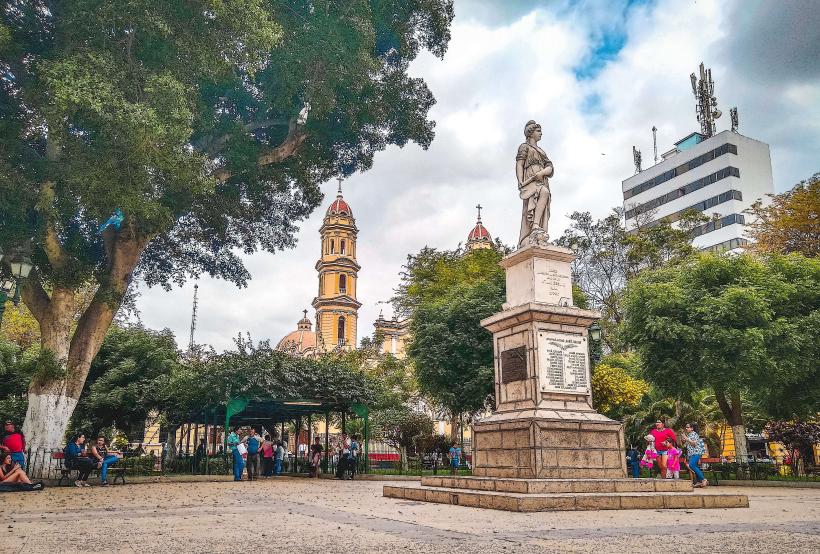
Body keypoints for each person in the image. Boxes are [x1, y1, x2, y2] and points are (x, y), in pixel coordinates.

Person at [516, 120, 554, 245]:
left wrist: (542, 173)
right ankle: (534, 226)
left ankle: (537, 227)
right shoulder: (524, 147)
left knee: (544, 194)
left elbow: (550, 167)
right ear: (531, 133)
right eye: (538, 131)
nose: (541, 133)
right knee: (541, 195)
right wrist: (520, 181)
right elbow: (520, 164)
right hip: (530, 179)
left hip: (541, 179)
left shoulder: (541, 151)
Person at [683, 422, 707, 487]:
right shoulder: (690, 434)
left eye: (688, 427)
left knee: (691, 465)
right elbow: (687, 445)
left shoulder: (694, 434)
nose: (686, 428)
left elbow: (694, 443)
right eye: (686, 427)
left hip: (696, 452)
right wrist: (685, 440)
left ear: (692, 428)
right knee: (695, 466)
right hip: (691, 453)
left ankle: (703, 479)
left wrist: (687, 439)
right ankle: (699, 481)